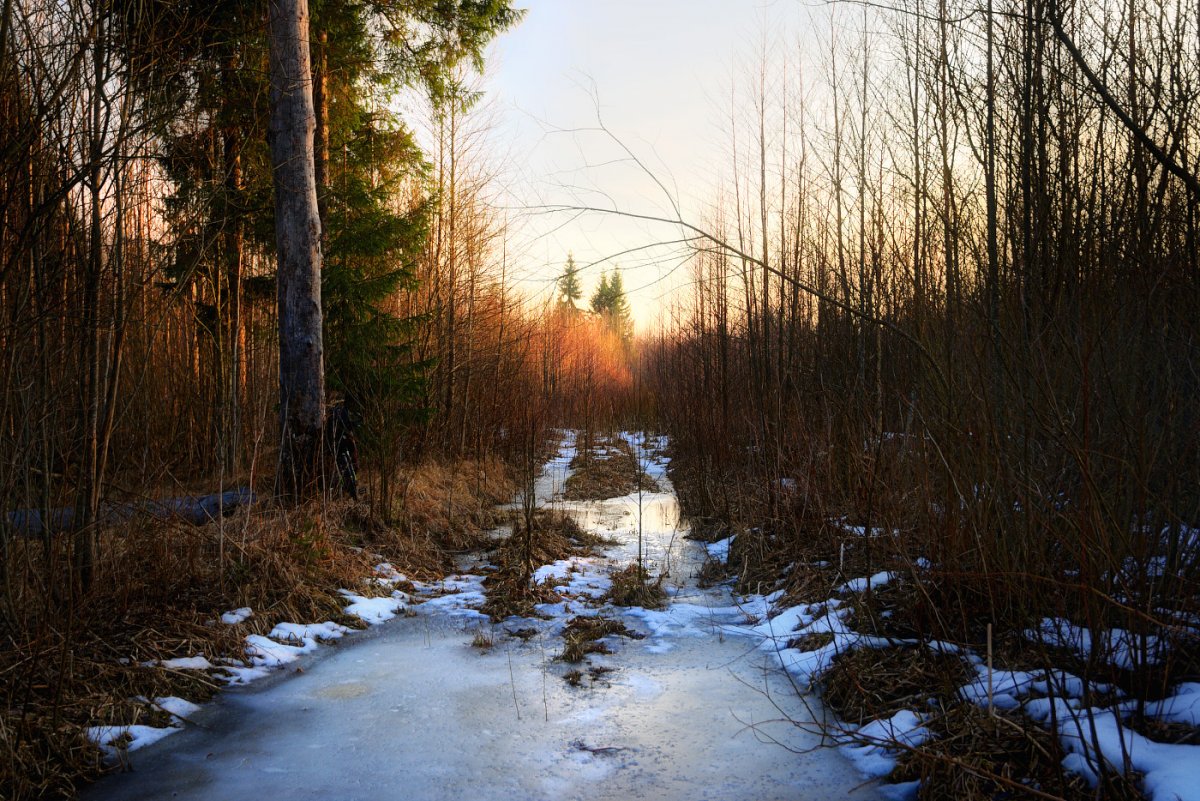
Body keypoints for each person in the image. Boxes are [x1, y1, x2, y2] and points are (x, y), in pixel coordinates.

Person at [325, 401, 359, 499]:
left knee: (351, 465)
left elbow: (350, 425)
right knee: (342, 468)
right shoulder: (335, 416)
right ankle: (346, 488)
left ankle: (351, 487)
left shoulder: (342, 413)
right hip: (338, 445)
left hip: (343, 444)